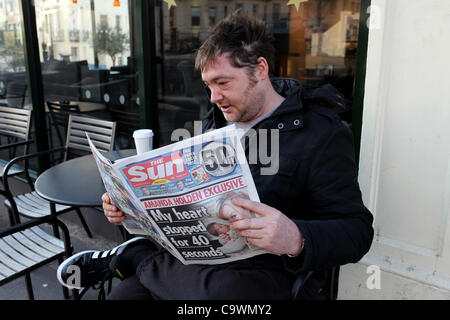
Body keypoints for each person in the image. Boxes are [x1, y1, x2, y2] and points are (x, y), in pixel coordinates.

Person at [57, 10, 373, 300]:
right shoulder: (214, 122)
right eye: (208, 85)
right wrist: (130, 208)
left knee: (222, 296)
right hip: (193, 257)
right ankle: (143, 255)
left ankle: (137, 258)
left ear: (259, 70)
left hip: (262, 270)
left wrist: (297, 237)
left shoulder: (321, 132)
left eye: (223, 83)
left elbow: (357, 232)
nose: (214, 97)